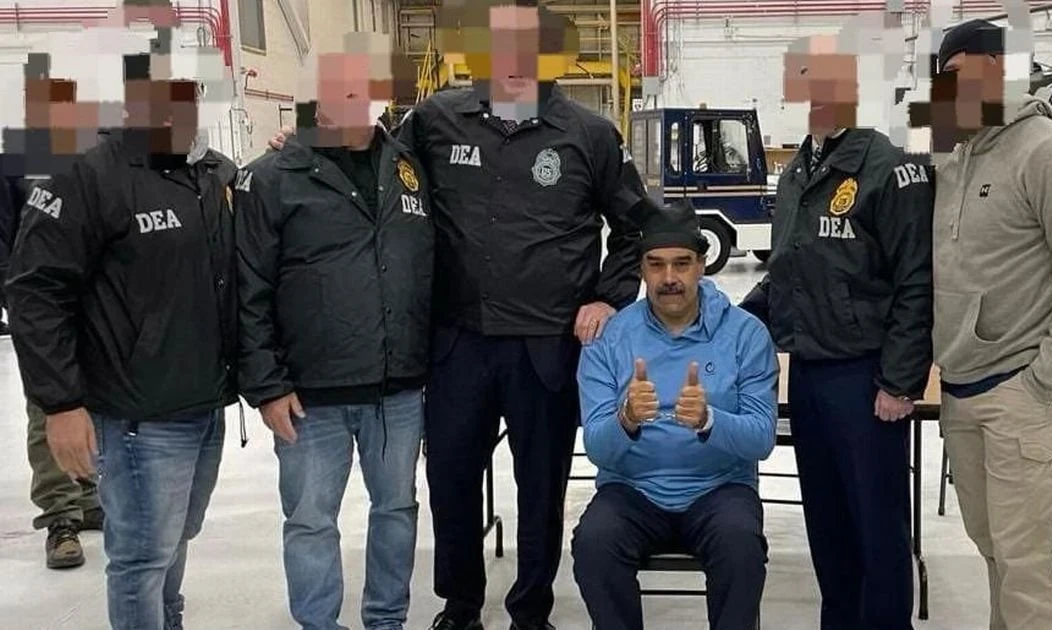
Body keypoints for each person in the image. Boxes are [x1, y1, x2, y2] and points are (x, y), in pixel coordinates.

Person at [272, 5, 651, 629]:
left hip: (546, 345)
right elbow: (368, 157)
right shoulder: (435, 119)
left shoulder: (589, 134)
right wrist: (305, 140)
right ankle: (462, 603)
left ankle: (531, 608)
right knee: (451, 480)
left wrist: (608, 296)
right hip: (456, 343)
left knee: (541, 484)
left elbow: (637, 225)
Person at [4, 27, 239, 630]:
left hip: (203, 404)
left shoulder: (212, 174)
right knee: (140, 557)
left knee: (176, 540)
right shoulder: (87, 173)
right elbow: (35, 290)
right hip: (136, 416)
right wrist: (61, 403)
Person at [739, 21, 934, 630]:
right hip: (809, 375)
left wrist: (899, 382)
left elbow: (917, 282)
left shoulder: (889, 168)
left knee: (877, 526)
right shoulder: (798, 172)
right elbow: (787, 273)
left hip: (865, 379)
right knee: (826, 524)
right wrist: (725, 322)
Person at [235, 34, 433, 630]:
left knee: (396, 509)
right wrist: (266, 386)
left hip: (396, 387)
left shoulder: (409, 168)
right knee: (310, 520)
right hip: (308, 394)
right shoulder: (273, 177)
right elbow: (248, 288)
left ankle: (386, 620)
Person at [929, 20, 1052, 630]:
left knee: (1026, 564)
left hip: (1023, 390)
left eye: (955, 73)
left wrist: (1045, 376)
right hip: (962, 386)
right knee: (993, 550)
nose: (945, 89)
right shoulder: (955, 156)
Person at [571, 200, 778, 630]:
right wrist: (626, 419)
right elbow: (597, 448)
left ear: (702, 265)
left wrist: (709, 420)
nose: (669, 278)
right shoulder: (609, 338)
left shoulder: (746, 334)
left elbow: (761, 438)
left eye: (682, 263)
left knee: (741, 546)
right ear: (641, 270)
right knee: (593, 543)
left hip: (719, 489)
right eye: (656, 265)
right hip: (632, 491)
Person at [2, 61, 107, 570]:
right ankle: (59, 516)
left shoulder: (94, 160)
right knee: (48, 408)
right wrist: (20, 304)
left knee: (96, 405)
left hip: (96, 309)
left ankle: (87, 497)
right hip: (43, 312)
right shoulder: (15, 165)